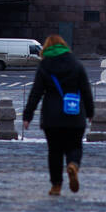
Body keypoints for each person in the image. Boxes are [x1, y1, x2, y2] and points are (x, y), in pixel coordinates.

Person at [22, 35, 95, 196]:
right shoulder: (76, 64)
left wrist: (28, 115)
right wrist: (90, 112)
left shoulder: (45, 65)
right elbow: (86, 91)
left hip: (52, 117)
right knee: (75, 146)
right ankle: (73, 165)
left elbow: (36, 93)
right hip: (74, 115)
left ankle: (56, 186)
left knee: (54, 151)